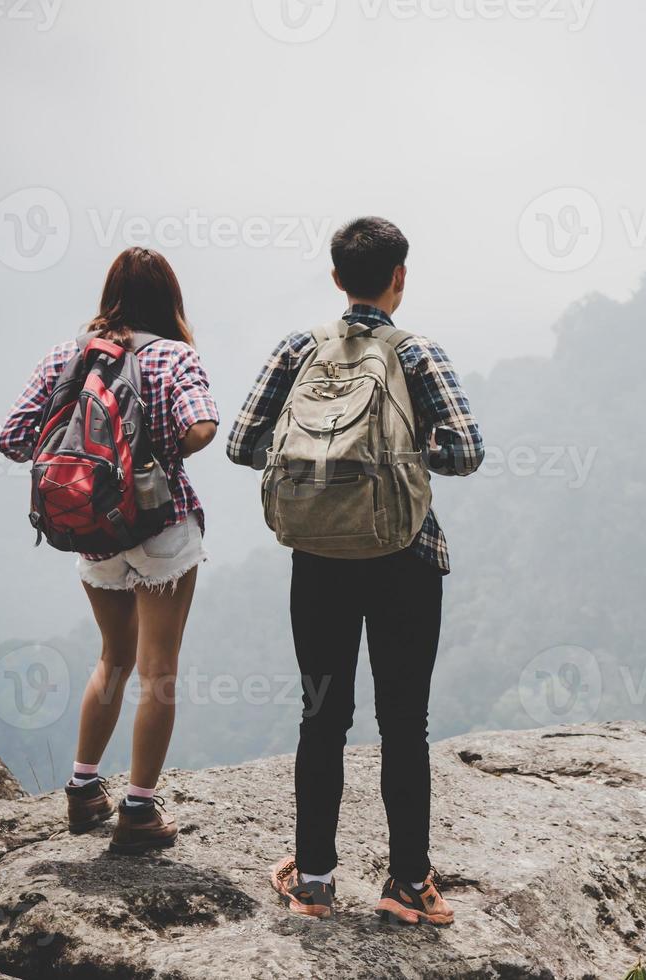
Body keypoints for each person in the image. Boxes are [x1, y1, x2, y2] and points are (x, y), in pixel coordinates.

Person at [228, 216, 483, 924]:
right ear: (400, 276)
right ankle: (408, 884)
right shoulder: (418, 352)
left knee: (321, 717)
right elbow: (465, 451)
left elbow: (243, 445)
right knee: (405, 722)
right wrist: (399, 454)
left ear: (337, 279)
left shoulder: (296, 348)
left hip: (317, 561)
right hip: (406, 555)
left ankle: (312, 882)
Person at [0, 247, 219, 854]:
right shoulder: (174, 356)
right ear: (169, 297)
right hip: (161, 526)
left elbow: (13, 438)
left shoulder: (66, 354)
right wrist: (151, 446)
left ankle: (82, 788)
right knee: (159, 672)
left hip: (91, 526)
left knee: (111, 660)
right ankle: (140, 810)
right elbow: (202, 427)